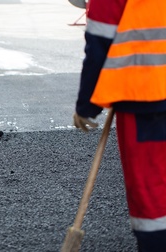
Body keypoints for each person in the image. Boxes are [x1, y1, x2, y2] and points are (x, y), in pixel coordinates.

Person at [73, 0, 166, 250]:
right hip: (149, 97)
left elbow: (100, 41)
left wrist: (87, 107)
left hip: (147, 99)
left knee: (153, 196)